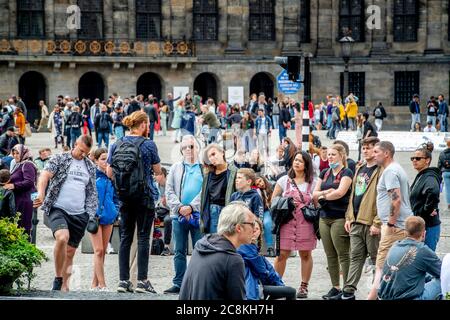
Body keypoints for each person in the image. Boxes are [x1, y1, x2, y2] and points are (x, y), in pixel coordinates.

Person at [107, 111, 162, 294]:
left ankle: (123, 282)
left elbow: (109, 171)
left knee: (125, 238)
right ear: (143, 125)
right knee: (144, 238)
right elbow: (157, 170)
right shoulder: (148, 145)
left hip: (124, 197)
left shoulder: (117, 143)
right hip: (144, 196)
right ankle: (142, 281)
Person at [33, 135, 97, 291]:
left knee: (70, 252)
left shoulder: (89, 166)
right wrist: (41, 194)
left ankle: (64, 286)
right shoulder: (60, 158)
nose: (83, 155)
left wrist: (90, 214)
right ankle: (58, 277)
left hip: (80, 214)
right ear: (75, 144)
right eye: (81, 150)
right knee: (62, 237)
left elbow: (92, 192)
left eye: (86, 153)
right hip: (58, 208)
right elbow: (45, 175)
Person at [179, 202, 256, 300]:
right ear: (238, 228)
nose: (255, 229)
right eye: (252, 224)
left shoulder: (201, 245)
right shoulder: (232, 260)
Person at [367, 141, 413, 300]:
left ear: (386, 153)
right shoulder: (394, 169)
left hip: (395, 226)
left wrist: (391, 223)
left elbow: (396, 200)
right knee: (393, 267)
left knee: (381, 267)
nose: (373, 155)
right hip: (399, 224)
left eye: (376, 152)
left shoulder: (390, 172)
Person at [342, 137, 383, 300]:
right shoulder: (360, 169)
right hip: (356, 221)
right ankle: (348, 291)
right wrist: (349, 217)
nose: (365, 150)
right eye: (363, 148)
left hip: (372, 223)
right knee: (356, 257)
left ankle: (376, 291)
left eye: (369, 147)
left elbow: (383, 199)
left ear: (376, 149)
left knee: (375, 259)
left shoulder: (381, 170)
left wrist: (378, 222)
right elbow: (353, 194)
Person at [273, 151, 317, 299]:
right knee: (282, 254)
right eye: (295, 160)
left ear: (306, 165)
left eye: (300, 161)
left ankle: (304, 286)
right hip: (286, 222)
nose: (297, 162)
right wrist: (286, 204)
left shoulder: (313, 182)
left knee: (305, 253)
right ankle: (276, 284)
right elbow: (273, 201)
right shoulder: (283, 180)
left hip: (305, 223)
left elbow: (316, 204)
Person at [313, 144, 353, 300]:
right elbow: (314, 194)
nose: (329, 157)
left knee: (343, 254)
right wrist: (326, 192)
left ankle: (347, 288)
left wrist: (323, 195)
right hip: (324, 217)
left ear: (341, 155)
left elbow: (341, 192)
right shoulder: (324, 172)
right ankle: (335, 286)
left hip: (339, 216)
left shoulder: (347, 172)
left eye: (333, 154)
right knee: (330, 254)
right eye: (328, 154)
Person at [164, 135, 203, 294]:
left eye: (191, 146)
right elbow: (169, 190)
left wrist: (192, 208)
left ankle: (197, 283)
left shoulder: (203, 168)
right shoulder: (175, 167)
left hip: (197, 216)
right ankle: (179, 283)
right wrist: (180, 207)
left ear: (198, 148)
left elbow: (205, 191)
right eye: (185, 147)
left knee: (200, 250)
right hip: (178, 216)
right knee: (179, 251)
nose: (188, 149)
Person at [378, 216, 442, 300]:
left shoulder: (395, 245)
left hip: (384, 297)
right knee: (442, 280)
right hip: (408, 298)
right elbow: (443, 271)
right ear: (424, 234)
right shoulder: (422, 250)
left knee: (424, 274)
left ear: (405, 232)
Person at [237, 219, 296, 300]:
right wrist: (278, 285)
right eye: (252, 228)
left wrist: (280, 285)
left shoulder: (255, 250)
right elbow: (262, 271)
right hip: (250, 288)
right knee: (290, 291)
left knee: (286, 290)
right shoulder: (245, 246)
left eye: (257, 229)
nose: (254, 231)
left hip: (256, 285)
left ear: (260, 232)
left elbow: (270, 271)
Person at [90, 148, 119, 291]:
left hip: (109, 216)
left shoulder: (111, 176)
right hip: (94, 217)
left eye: (107, 159)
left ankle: (94, 284)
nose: (105, 161)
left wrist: (115, 210)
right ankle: (102, 284)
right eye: (102, 158)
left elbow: (116, 196)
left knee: (102, 252)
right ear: (95, 160)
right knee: (99, 250)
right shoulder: (92, 175)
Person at [409, 143, 441, 251]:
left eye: (418, 158)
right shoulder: (421, 175)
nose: (414, 160)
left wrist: (427, 209)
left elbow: (433, 190)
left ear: (427, 160)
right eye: (412, 158)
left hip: (429, 226)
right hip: (421, 225)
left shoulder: (430, 176)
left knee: (426, 258)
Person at [200, 143, 238, 234]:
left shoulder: (234, 171)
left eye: (214, 154)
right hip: (213, 211)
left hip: (229, 211)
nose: (212, 158)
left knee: (228, 241)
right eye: (209, 157)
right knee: (215, 242)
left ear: (222, 153)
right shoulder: (208, 174)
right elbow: (205, 197)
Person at [3, 145, 37, 238]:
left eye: (17, 153)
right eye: (13, 153)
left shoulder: (27, 164)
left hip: (25, 200)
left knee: (24, 226)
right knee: (20, 225)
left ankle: (26, 247)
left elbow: (29, 182)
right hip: (21, 198)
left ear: (24, 153)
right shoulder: (19, 164)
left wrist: (14, 185)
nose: (15, 155)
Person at [255, 175, 275, 256]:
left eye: (260, 181)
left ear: (263, 178)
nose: (260, 184)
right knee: (267, 223)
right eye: (257, 184)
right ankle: (270, 248)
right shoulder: (258, 191)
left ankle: (271, 247)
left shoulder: (273, 185)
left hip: (274, 210)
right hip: (265, 211)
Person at [438, 139, 450, 209]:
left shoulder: (442, 153)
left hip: (446, 172)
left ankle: (449, 203)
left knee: (448, 189)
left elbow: (439, 164)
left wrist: (439, 173)